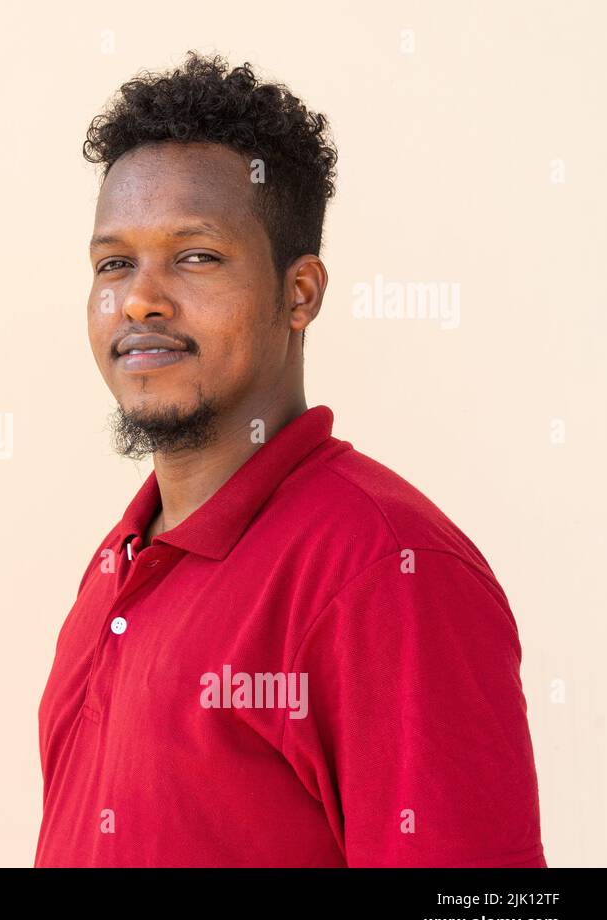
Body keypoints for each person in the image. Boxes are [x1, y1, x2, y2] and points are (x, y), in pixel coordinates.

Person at [35, 51, 546, 867]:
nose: (140, 299)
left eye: (195, 256)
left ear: (299, 292)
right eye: (114, 263)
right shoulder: (119, 562)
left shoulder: (387, 569)